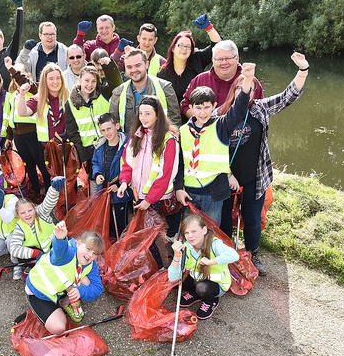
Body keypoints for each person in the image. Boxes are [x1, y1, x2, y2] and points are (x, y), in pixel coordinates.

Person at [218, 53, 310, 275]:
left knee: (252, 218)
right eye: (240, 88)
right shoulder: (219, 115)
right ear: (234, 91)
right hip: (225, 177)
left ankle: (253, 253)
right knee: (223, 220)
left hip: (255, 176)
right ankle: (224, 253)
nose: (244, 92)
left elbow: (289, 96)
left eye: (249, 88)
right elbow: (213, 148)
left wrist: (303, 70)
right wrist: (228, 173)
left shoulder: (260, 108)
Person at [173, 65, 251, 225]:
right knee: (190, 232)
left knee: (211, 232)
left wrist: (248, 79)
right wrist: (179, 188)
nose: (202, 112)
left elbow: (239, 109)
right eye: (198, 108)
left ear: (214, 105)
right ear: (191, 108)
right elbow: (179, 162)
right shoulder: (183, 130)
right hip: (189, 192)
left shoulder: (221, 125)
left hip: (213, 192)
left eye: (207, 107)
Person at [117, 96, 180, 243]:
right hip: (139, 196)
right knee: (145, 241)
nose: (143, 118)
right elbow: (127, 162)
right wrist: (124, 182)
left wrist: (150, 199)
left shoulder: (168, 139)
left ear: (158, 115)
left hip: (160, 200)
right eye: (141, 114)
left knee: (161, 241)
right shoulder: (136, 135)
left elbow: (167, 173)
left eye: (148, 113)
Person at [26, 221, 104, 333]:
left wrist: (80, 291)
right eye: (88, 249)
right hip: (39, 292)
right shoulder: (68, 253)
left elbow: (98, 288)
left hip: (57, 290)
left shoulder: (91, 264)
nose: (90, 255)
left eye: (95, 253)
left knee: (86, 281)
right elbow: (60, 251)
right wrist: (60, 239)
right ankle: (36, 304)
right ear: (77, 243)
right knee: (59, 328)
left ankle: (63, 301)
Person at [169, 214, 239, 320]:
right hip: (198, 278)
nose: (190, 236)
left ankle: (211, 300)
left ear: (204, 230)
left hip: (216, 284)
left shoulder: (214, 244)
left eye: (194, 231)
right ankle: (195, 294)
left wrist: (211, 262)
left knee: (202, 288)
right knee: (178, 282)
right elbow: (173, 277)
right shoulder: (187, 247)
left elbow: (234, 255)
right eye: (186, 233)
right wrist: (177, 256)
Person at [3, 59, 50, 198]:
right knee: (28, 165)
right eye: (15, 74)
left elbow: (21, 80)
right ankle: (35, 191)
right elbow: (10, 117)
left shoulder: (33, 88)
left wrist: (11, 69)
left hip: (32, 134)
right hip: (18, 136)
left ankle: (49, 191)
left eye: (19, 73)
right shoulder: (12, 95)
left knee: (41, 163)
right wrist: (9, 136)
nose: (16, 76)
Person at [181, 40, 264, 118]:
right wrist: (202, 119)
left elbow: (261, 109)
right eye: (219, 59)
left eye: (228, 58)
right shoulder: (200, 80)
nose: (224, 62)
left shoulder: (250, 82)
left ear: (237, 58)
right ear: (212, 60)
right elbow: (185, 105)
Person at [109, 49, 180, 133]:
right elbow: (114, 124)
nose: (134, 70)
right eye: (129, 67)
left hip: (159, 142)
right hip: (129, 143)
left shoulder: (165, 87)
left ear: (147, 64)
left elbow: (175, 121)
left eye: (138, 65)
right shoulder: (118, 93)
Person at [157, 14, 222, 105]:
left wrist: (209, 27)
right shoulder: (163, 74)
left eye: (188, 46)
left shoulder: (197, 59)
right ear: (173, 48)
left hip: (198, 113)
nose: (184, 49)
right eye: (180, 45)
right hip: (173, 116)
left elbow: (217, 46)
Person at [9, 177, 65, 280]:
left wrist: (54, 189)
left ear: (34, 208)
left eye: (30, 210)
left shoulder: (41, 213)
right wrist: (35, 253)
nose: (27, 215)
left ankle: (48, 267)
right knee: (21, 255)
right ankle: (32, 268)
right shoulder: (19, 226)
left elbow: (48, 203)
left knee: (64, 245)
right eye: (23, 213)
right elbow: (14, 249)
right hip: (39, 254)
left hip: (53, 247)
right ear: (18, 215)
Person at [65, 65, 110, 183]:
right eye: (86, 80)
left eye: (93, 81)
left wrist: (108, 65)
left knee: (110, 180)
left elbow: (116, 82)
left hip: (107, 144)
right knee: (95, 182)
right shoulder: (70, 103)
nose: (90, 85)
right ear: (80, 80)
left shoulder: (103, 94)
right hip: (88, 151)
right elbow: (72, 132)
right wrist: (82, 155)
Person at [92, 113, 133, 237]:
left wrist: (120, 184)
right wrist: (97, 174)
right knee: (107, 220)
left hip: (121, 193)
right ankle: (112, 243)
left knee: (122, 222)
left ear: (117, 126)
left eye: (109, 128)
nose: (106, 133)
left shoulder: (128, 146)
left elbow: (131, 168)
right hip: (104, 191)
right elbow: (95, 163)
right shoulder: (100, 146)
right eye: (103, 130)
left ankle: (121, 244)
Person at [17, 63, 69, 143]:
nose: (55, 82)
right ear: (45, 81)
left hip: (67, 145)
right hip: (45, 148)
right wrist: (22, 95)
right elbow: (22, 113)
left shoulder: (68, 96)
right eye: (51, 79)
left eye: (58, 78)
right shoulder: (39, 98)